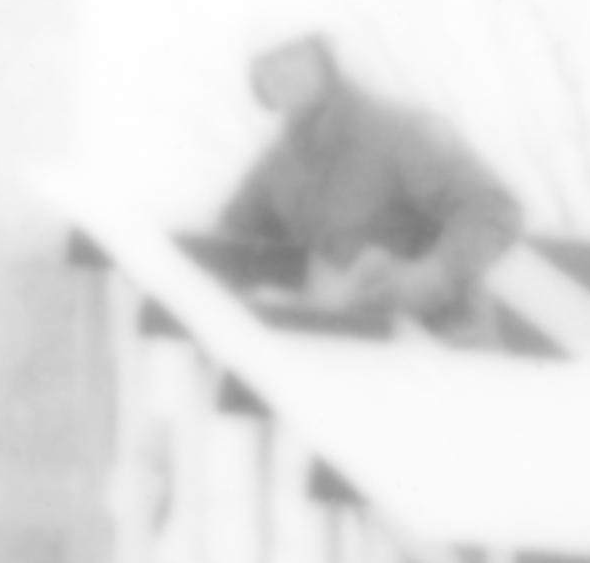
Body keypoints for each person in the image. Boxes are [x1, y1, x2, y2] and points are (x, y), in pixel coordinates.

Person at [213, 33, 522, 343]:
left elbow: (493, 208)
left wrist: (429, 277)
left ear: (324, 61)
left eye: (292, 55)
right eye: (266, 63)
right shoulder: (277, 167)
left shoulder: (399, 131)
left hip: (444, 352)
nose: (280, 72)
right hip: (345, 354)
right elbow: (225, 246)